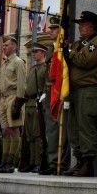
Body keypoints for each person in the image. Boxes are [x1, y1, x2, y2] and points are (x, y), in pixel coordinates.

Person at [63, 10, 97, 177]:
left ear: (92, 26)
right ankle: (79, 161)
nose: (80, 27)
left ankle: (88, 164)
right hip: (75, 91)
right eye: (79, 24)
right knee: (73, 128)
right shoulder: (77, 44)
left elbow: (86, 61)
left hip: (89, 90)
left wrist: (70, 53)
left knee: (86, 128)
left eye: (83, 24)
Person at [0, 35, 26, 173]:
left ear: (14, 46)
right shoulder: (4, 63)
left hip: (13, 97)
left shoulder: (18, 62)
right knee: (5, 131)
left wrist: (18, 102)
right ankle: (4, 161)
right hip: (3, 99)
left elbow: (22, 84)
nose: (4, 47)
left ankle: (11, 162)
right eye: (3, 45)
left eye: (6, 45)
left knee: (14, 129)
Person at [40, 15, 70, 175]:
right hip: (49, 92)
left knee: (62, 131)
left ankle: (61, 163)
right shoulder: (51, 48)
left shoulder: (65, 47)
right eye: (50, 29)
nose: (51, 31)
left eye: (54, 28)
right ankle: (52, 162)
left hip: (61, 93)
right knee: (51, 131)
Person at [22, 35, 50, 173]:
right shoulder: (32, 68)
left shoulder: (45, 68)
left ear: (43, 53)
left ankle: (39, 162)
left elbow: (46, 86)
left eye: (36, 52)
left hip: (38, 102)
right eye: (33, 52)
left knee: (38, 134)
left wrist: (42, 99)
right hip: (29, 102)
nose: (34, 54)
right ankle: (32, 162)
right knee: (30, 135)